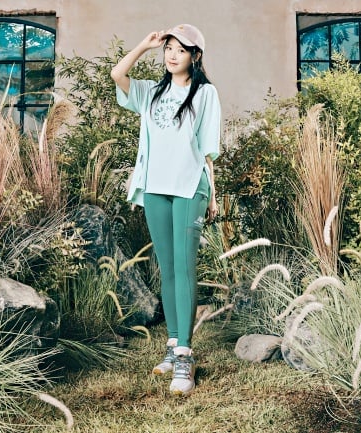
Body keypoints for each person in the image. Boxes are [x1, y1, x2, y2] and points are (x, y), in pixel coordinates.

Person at [110, 23, 220, 396]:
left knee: (185, 268)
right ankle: (173, 345)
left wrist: (213, 194)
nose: (172, 55)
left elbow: (207, 150)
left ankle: (185, 356)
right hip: (155, 188)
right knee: (168, 268)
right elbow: (117, 74)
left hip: (189, 188)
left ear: (195, 56)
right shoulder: (152, 93)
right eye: (168, 48)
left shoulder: (205, 94)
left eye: (181, 49)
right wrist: (144, 45)